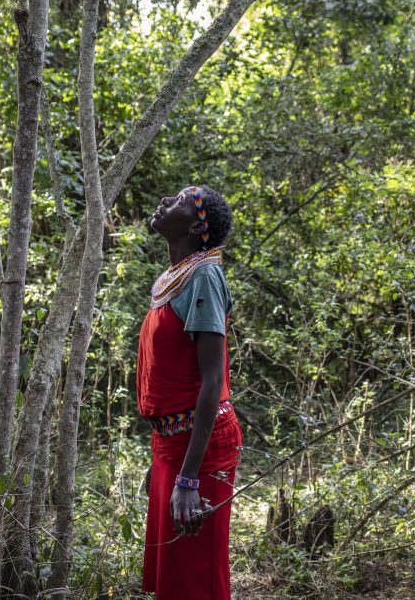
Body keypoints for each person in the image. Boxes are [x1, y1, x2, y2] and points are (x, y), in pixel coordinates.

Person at [137, 185, 242, 600]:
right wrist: (163, 456)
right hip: (172, 443)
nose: (165, 201)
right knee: (171, 573)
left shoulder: (204, 276)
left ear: (199, 224)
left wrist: (188, 476)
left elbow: (212, 381)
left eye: (180, 201)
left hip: (201, 448)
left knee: (196, 575)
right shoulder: (176, 278)